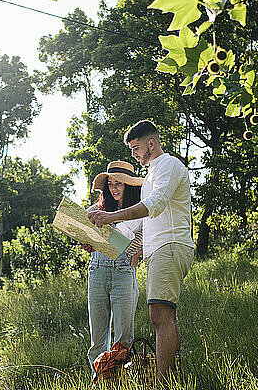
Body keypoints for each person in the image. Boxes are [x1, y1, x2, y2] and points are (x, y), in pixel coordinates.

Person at [88, 120, 194, 384]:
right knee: (166, 316)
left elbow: (154, 206)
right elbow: (142, 227)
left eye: (136, 148)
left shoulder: (168, 165)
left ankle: (162, 382)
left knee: (159, 316)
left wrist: (112, 216)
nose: (134, 154)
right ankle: (173, 377)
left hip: (170, 245)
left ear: (151, 143)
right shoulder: (153, 174)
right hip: (160, 249)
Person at [82, 161, 144, 378]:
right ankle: (100, 379)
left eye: (119, 183)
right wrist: (87, 242)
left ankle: (121, 379)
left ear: (130, 186)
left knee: (123, 335)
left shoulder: (139, 211)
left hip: (123, 271)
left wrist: (128, 250)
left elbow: (142, 240)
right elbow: (82, 228)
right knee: (97, 338)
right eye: (110, 183)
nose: (114, 188)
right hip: (97, 270)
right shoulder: (97, 209)